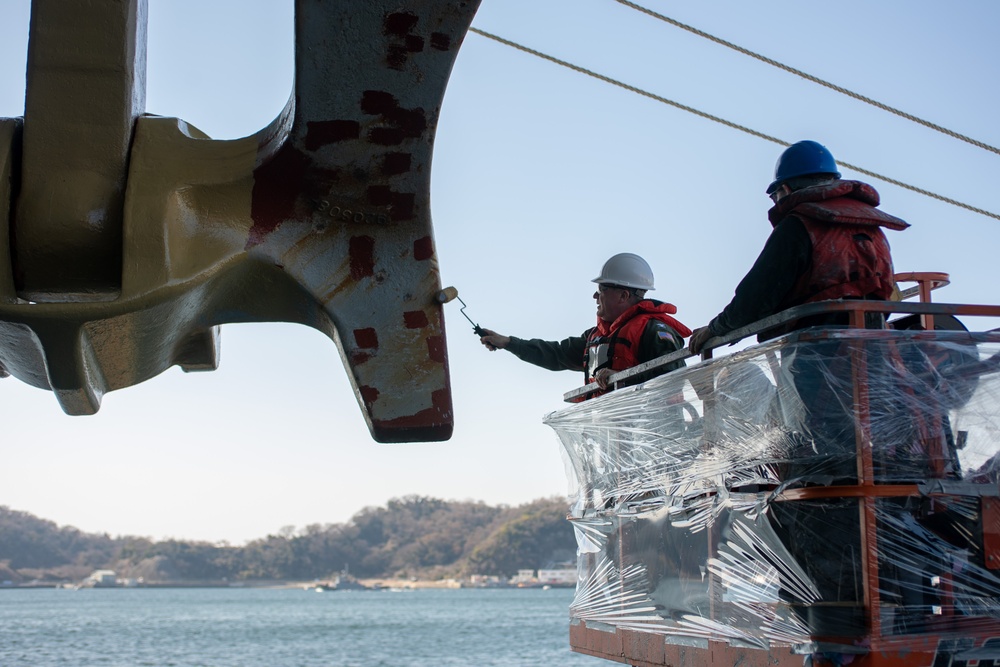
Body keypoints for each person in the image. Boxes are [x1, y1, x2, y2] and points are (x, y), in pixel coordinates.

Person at [688, 140, 909, 355]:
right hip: (876, 347)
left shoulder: (798, 225)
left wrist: (715, 329)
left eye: (775, 196)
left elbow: (755, 298)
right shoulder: (871, 227)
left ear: (784, 189)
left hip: (817, 354)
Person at [479, 253, 691, 397]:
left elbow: (672, 380)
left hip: (653, 439)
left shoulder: (654, 331)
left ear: (623, 295)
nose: (594, 296)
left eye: (601, 291)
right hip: (611, 441)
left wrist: (620, 378)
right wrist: (508, 343)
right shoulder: (594, 337)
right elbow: (556, 354)